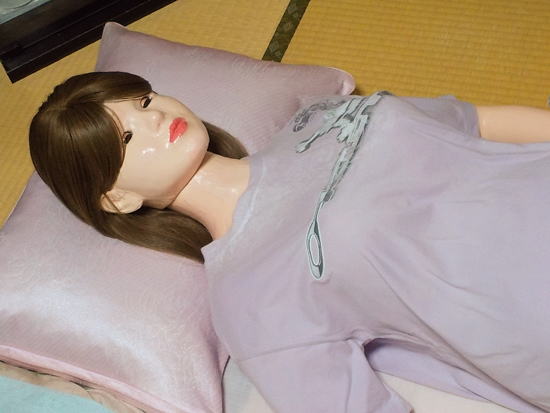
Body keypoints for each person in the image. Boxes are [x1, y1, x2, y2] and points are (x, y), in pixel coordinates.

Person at [30, 71, 550, 412]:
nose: (154, 118)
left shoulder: (316, 117)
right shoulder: (247, 290)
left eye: (144, 100)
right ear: (117, 198)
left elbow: (479, 121)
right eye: (126, 136)